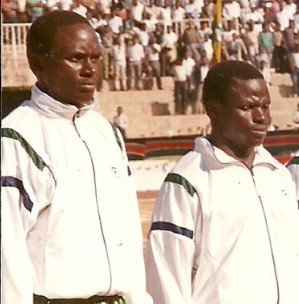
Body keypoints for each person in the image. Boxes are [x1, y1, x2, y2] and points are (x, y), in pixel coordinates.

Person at [1, 11, 152, 304]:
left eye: (95, 58)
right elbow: (7, 250)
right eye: (76, 58)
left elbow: (128, 231)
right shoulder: (16, 138)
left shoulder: (106, 132)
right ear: (39, 64)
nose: (89, 69)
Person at [146, 60, 299, 304]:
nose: (261, 117)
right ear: (214, 111)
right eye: (247, 107)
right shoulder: (187, 181)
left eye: (265, 106)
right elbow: (168, 279)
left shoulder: (278, 176)